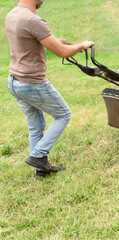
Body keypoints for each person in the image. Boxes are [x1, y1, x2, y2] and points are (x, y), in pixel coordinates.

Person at [5, 0, 94, 178]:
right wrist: (82, 45)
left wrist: (52, 41)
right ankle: (38, 156)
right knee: (63, 114)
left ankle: (41, 170)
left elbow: (28, 41)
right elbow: (62, 52)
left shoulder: (12, 15)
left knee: (35, 126)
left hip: (14, 81)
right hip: (32, 83)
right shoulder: (33, 20)